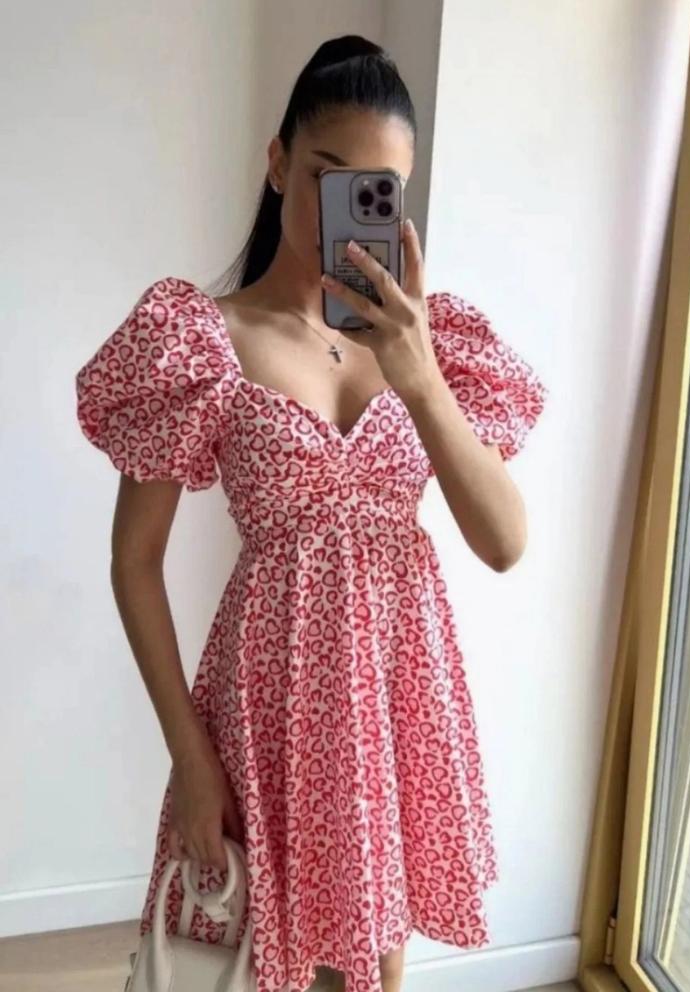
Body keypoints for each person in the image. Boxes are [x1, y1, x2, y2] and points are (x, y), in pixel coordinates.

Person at [75, 33, 548, 992]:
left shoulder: (431, 346)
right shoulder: (202, 339)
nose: (347, 207)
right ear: (277, 162)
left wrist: (419, 379)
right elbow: (135, 562)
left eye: (376, 190)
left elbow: (503, 541)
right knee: (258, 958)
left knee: (374, 967)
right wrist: (190, 755)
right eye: (327, 174)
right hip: (269, 699)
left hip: (394, 692)